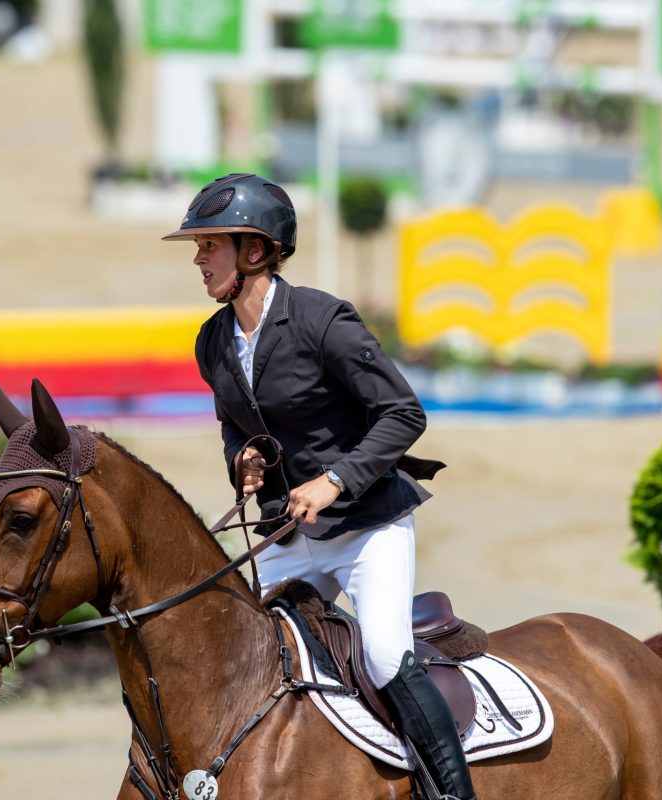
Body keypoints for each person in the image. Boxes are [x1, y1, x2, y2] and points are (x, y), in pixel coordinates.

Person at [163, 173, 476, 800]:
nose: (197, 260)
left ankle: (453, 794)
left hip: (366, 528)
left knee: (385, 656)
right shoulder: (213, 342)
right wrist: (242, 460)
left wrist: (335, 480)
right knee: (253, 665)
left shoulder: (322, 320)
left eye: (208, 246)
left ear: (254, 250)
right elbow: (233, 425)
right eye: (196, 249)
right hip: (285, 531)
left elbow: (404, 415)